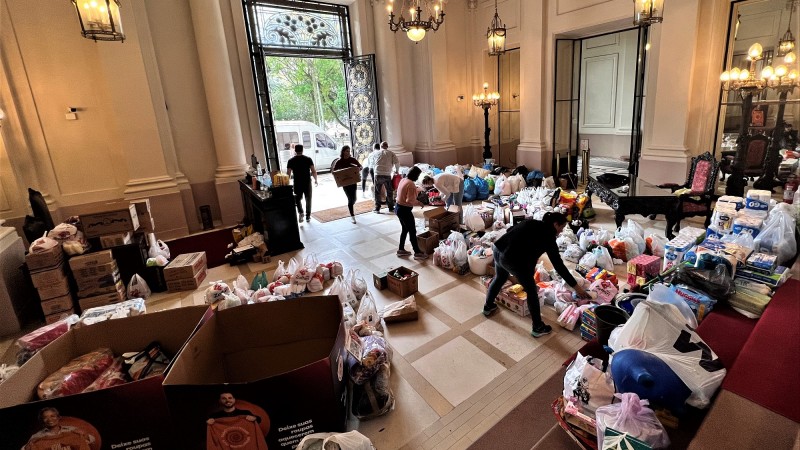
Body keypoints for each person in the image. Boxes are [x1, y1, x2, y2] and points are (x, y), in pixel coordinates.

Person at [482, 212, 588, 337]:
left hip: (498, 249)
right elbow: (559, 266)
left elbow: (511, 230)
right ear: (555, 224)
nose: (561, 231)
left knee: (500, 277)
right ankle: (538, 327)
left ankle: (488, 307)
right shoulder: (549, 237)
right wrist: (577, 287)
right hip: (511, 258)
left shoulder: (531, 222)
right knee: (531, 291)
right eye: (561, 227)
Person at [22, 407, 95, 450]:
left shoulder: (71, 430)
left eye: (52, 416)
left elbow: (92, 440)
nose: (49, 419)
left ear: (58, 417)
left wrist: (84, 435)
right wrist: (27, 447)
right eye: (45, 417)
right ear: (42, 421)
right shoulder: (37, 437)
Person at [395, 166, 428, 260]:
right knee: (412, 231)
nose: (418, 178)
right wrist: (419, 202)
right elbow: (409, 200)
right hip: (405, 210)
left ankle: (401, 249)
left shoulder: (404, 180)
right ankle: (417, 252)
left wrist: (415, 190)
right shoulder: (411, 184)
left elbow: (405, 192)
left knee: (405, 229)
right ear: (415, 175)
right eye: (418, 175)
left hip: (398, 208)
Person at [286, 144, 318, 223]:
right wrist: (316, 180)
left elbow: (288, 174)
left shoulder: (291, 161)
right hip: (307, 182)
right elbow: (313, 171)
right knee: (308, 199)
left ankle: (301, 212)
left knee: (297, 199)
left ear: (295, 151)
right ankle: (308, 216)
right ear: (302, 150)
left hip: (297, 183)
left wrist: (287, 184)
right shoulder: (308, 159)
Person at [332, 145, 362, 224]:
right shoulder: (339, 161)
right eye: (346, 151)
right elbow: (334, 172)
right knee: (350, 199)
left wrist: (357, 168)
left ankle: (351, 206)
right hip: (345, 183)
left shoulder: (352, 159)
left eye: (349, 151)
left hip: (353, 182)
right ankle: (352, 216)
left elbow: (360, 167)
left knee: (354, 199)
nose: (348, 152)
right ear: (343, 152)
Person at [372, 141, 399, 214]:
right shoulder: (391, 153)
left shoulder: (376, 153)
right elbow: (397, 162)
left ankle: (377, 208)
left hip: (378, 174)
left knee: (377, 191)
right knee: (389, 191)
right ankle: (390, 207)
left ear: (381, 146)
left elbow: (372, 163)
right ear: (387, 147)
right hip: (387, 174)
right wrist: (397, 171)